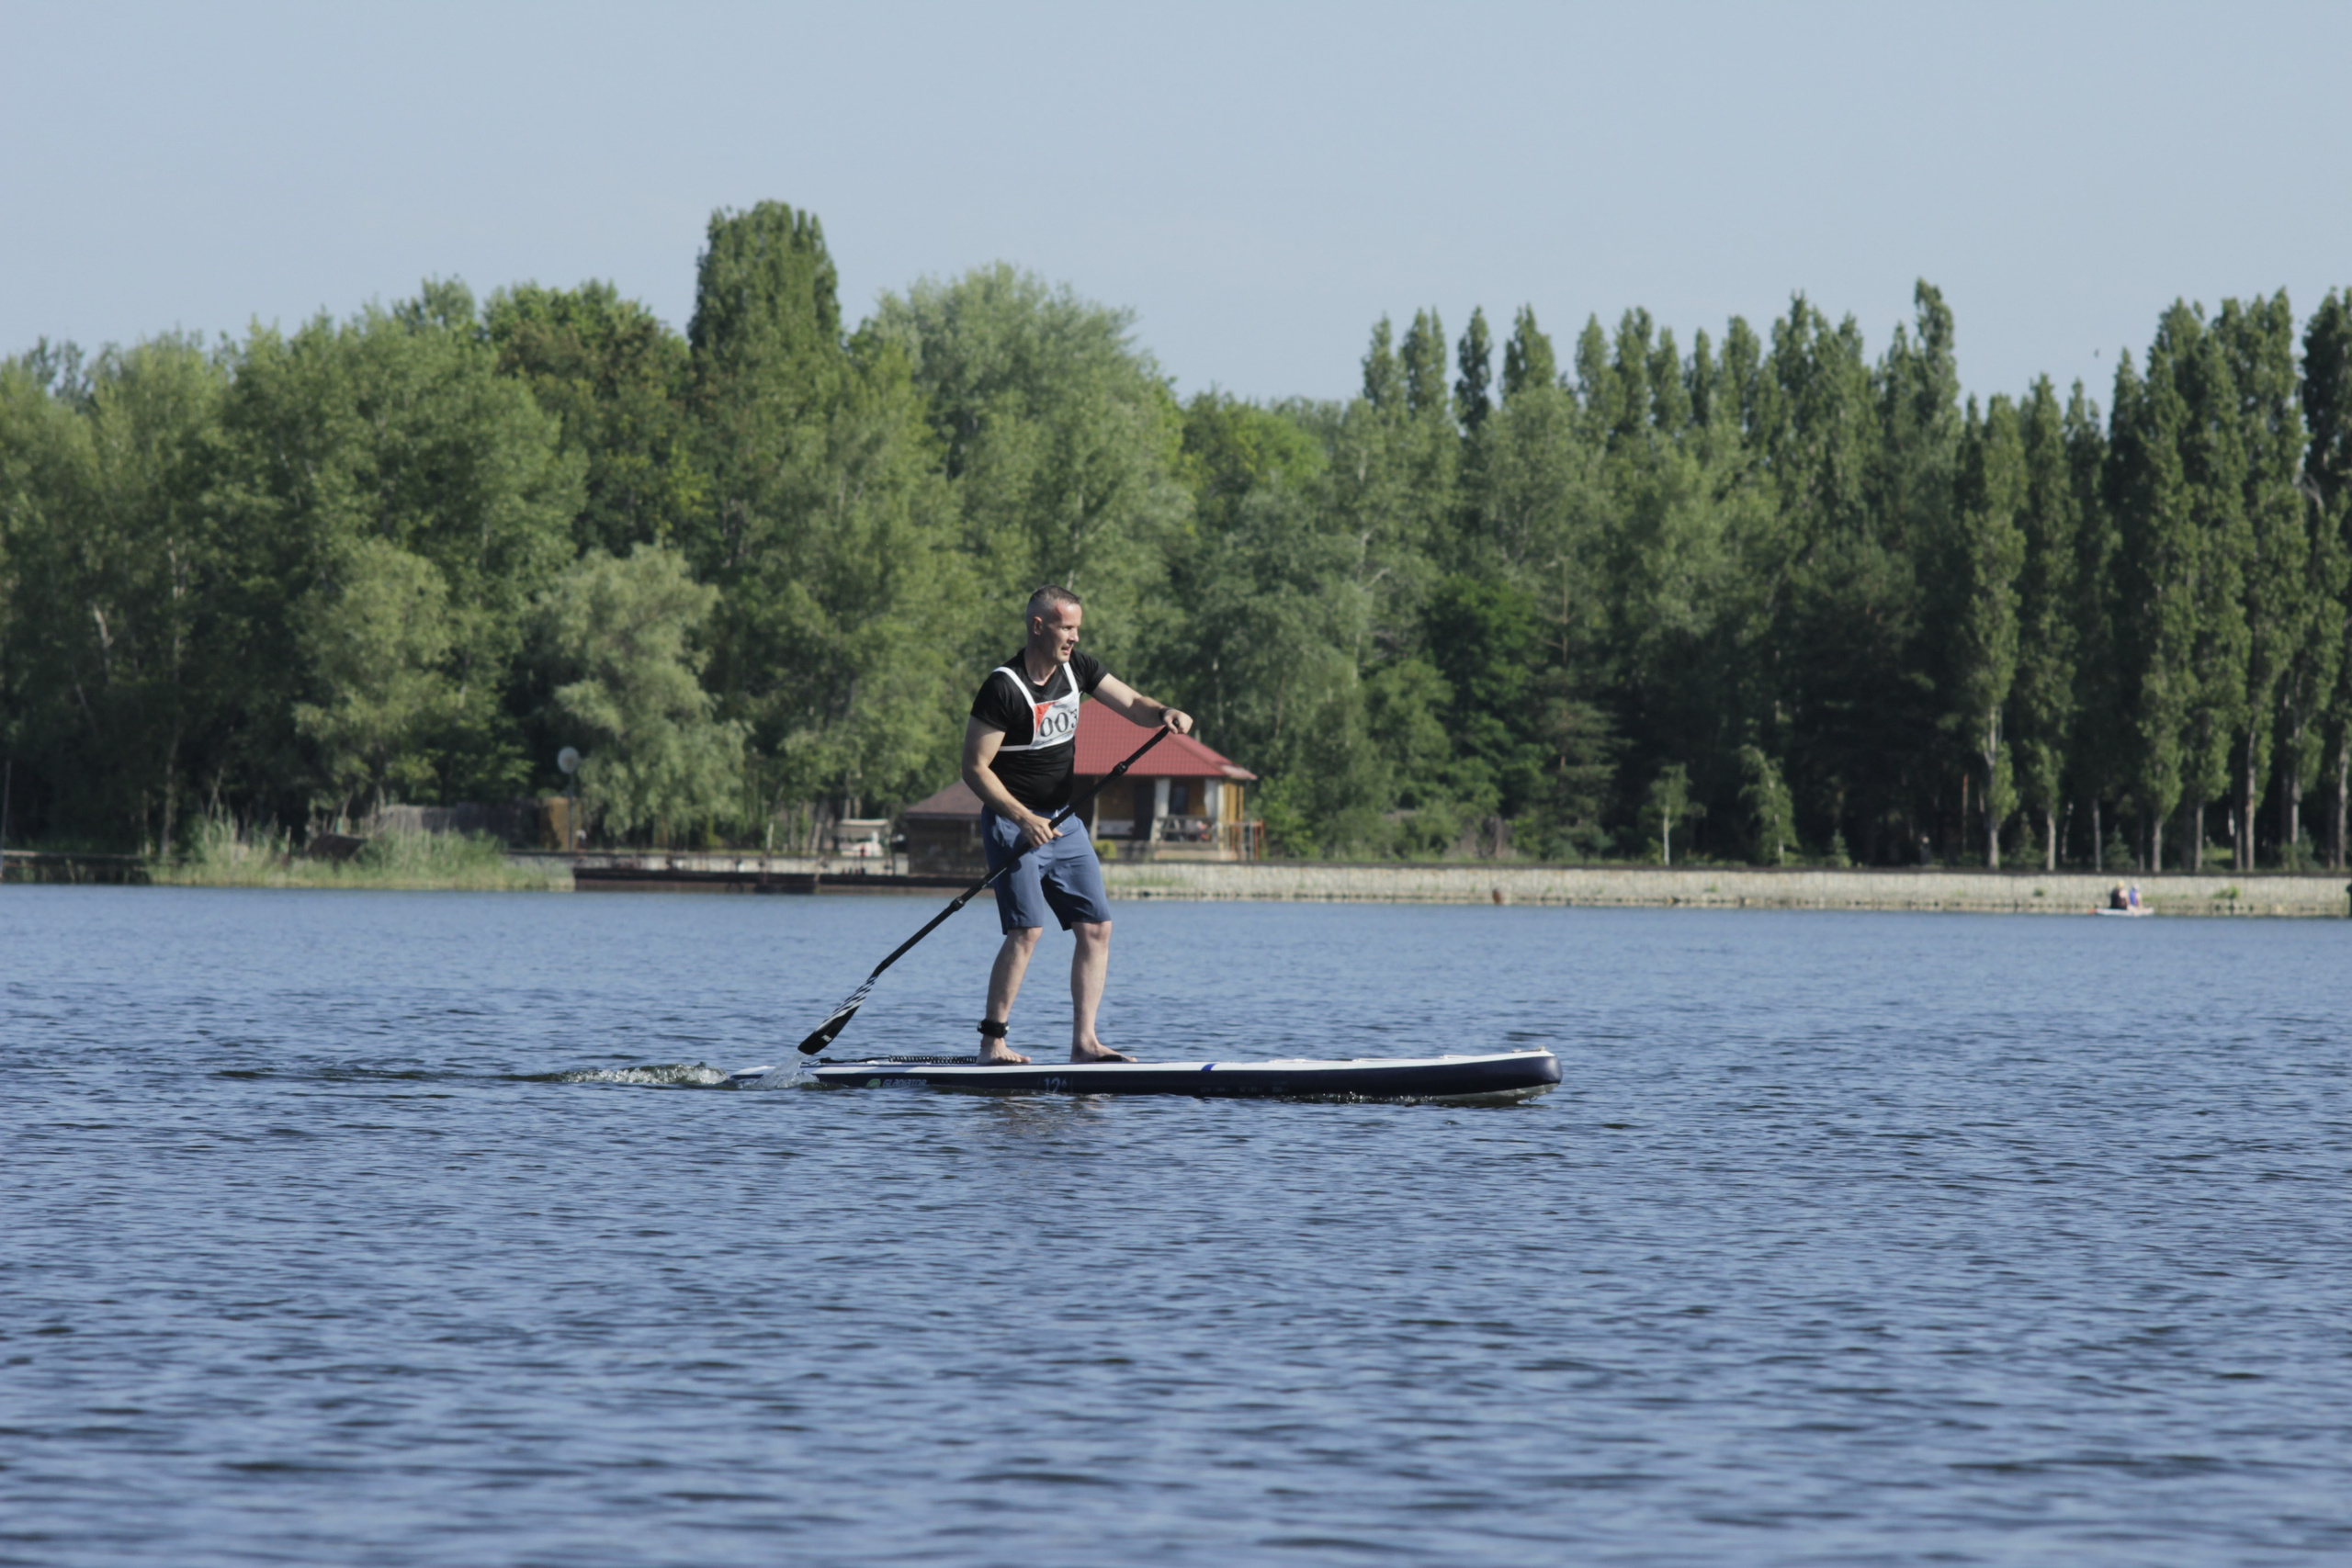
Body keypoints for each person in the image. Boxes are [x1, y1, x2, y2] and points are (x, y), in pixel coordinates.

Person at [961, 585, 1193, 1064]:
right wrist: (1022, 819)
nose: (1075, 636)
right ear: (1038, 626)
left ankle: (1085, 1044)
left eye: (1078, 627)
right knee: (1027, 931)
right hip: (1013, 823)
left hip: (1064, 823)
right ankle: (993, 1044)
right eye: (1067, 627)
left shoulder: (1078, 667)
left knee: (1097, 929)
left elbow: (1132, 703)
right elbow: (975, 768)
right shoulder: (1003, 687)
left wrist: (1163, 712)